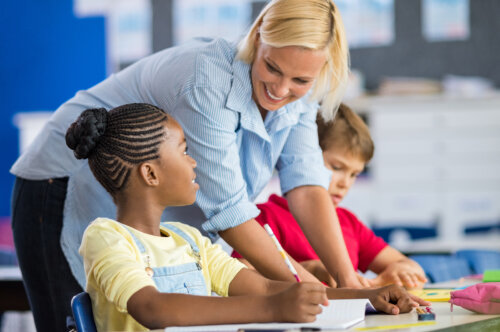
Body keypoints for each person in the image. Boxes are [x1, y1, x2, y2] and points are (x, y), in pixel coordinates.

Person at [11, 1, 367, 330]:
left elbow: (306, 186)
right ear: (258, 37)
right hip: (62, 182)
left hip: (145, 219)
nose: (281, 88)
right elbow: (229, 212)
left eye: (300, 81)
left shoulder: (190, 241)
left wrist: (349, 284)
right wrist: (308, 295)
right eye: (272, 67)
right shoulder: (205, 79)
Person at [68, 103, 427, 331]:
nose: (194, 162)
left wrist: (365, 298)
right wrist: (272, 308)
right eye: (184, 151)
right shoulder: (107, 237)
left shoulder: (189, 240)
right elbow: (153, 308)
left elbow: (270, 287)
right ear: (150, 174)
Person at [233, 104, 428, 289]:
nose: (346, 183)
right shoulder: (265, 218)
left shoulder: (348, 222)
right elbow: (236, 272)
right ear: (304, 157)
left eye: (354, 174)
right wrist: (309, 269)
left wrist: (396, 273)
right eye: (337, 167)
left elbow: (413, 267)